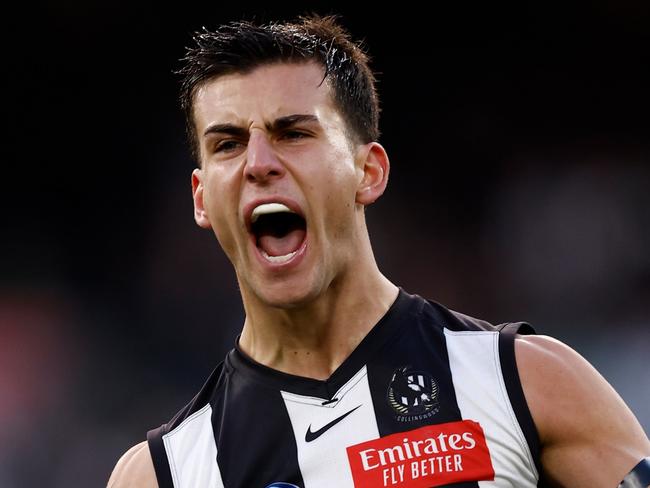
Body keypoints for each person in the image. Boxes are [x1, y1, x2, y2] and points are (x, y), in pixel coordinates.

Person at [108, 15, 649, 488]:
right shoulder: (166, 473)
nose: (258, 163)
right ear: (201, 199)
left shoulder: (529, 384)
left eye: (293, 133)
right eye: (227, 144)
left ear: (369, 172)